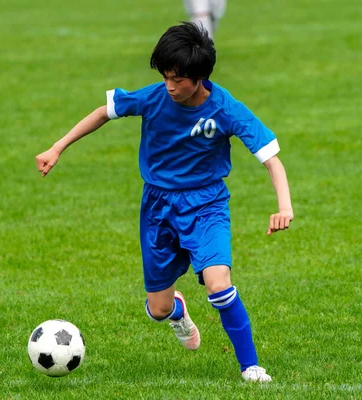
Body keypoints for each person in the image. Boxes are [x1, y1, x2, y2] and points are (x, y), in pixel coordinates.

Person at [35, 22, 293, 382]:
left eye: (178, 80)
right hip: (157, 207)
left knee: (219, 283)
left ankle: (251, 366)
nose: (170, 86)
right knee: (157, 309)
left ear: (200, 76)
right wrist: (57, 147)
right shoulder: (154, 97)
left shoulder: (225, 109)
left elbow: (271, 159)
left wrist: (285, 207)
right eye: (166, 76)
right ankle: (176, 312)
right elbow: (102, 113)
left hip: (206, 206)